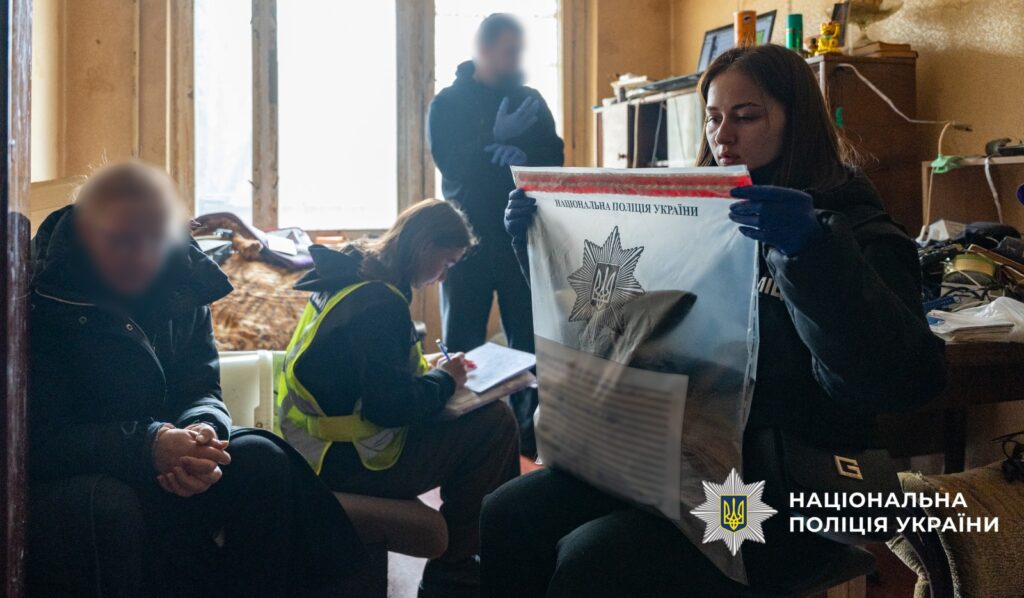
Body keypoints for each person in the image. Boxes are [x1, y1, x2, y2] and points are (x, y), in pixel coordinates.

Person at [488, 44, 948, 597]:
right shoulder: (696, 223)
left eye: (746, 116)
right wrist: (538, 244)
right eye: (712, 118)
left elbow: (897, 383)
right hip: (672, 460)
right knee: (509, 513)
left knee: (596, 561)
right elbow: (614, 322)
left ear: (797, 121)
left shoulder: (858, 232)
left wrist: (811, 254)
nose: (722, 135)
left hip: (781, 485)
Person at [26, 161, 366, 598]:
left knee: (260, 456)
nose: (142, 256)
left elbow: (201, 387)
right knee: (115, 505)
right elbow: (42, 440)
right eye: (122, 240)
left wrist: (204, 430)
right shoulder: (46, 295)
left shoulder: (182, 282)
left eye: (156, 239)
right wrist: (148, 445)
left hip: (171, 451)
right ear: (86, 234)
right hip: (96, 464)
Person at [277, 199, 521, 598]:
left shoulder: (348, 275)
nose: (444, 275)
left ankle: (465, 570)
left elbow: (355, 374)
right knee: (494, 424)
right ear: (424, 246)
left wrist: (432, 370)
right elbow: (389, 407)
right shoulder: (381, 305)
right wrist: (444, 381)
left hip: (311, 449)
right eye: (447, 262)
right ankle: (457, 578)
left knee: (485, 422)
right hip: (350, 462)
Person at [428, 13, 564, 457]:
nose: (516, 60)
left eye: (520, 51)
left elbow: (555, 158)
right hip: (464, 244)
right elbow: (452, 166)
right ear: (483, 50)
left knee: (529, 341)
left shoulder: (529, 99)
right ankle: (461, 441)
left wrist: (521, 150)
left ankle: (528, 442)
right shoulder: (447, 104)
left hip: (521, 239)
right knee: (462, 342)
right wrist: (493, 136)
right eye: (509, 52)